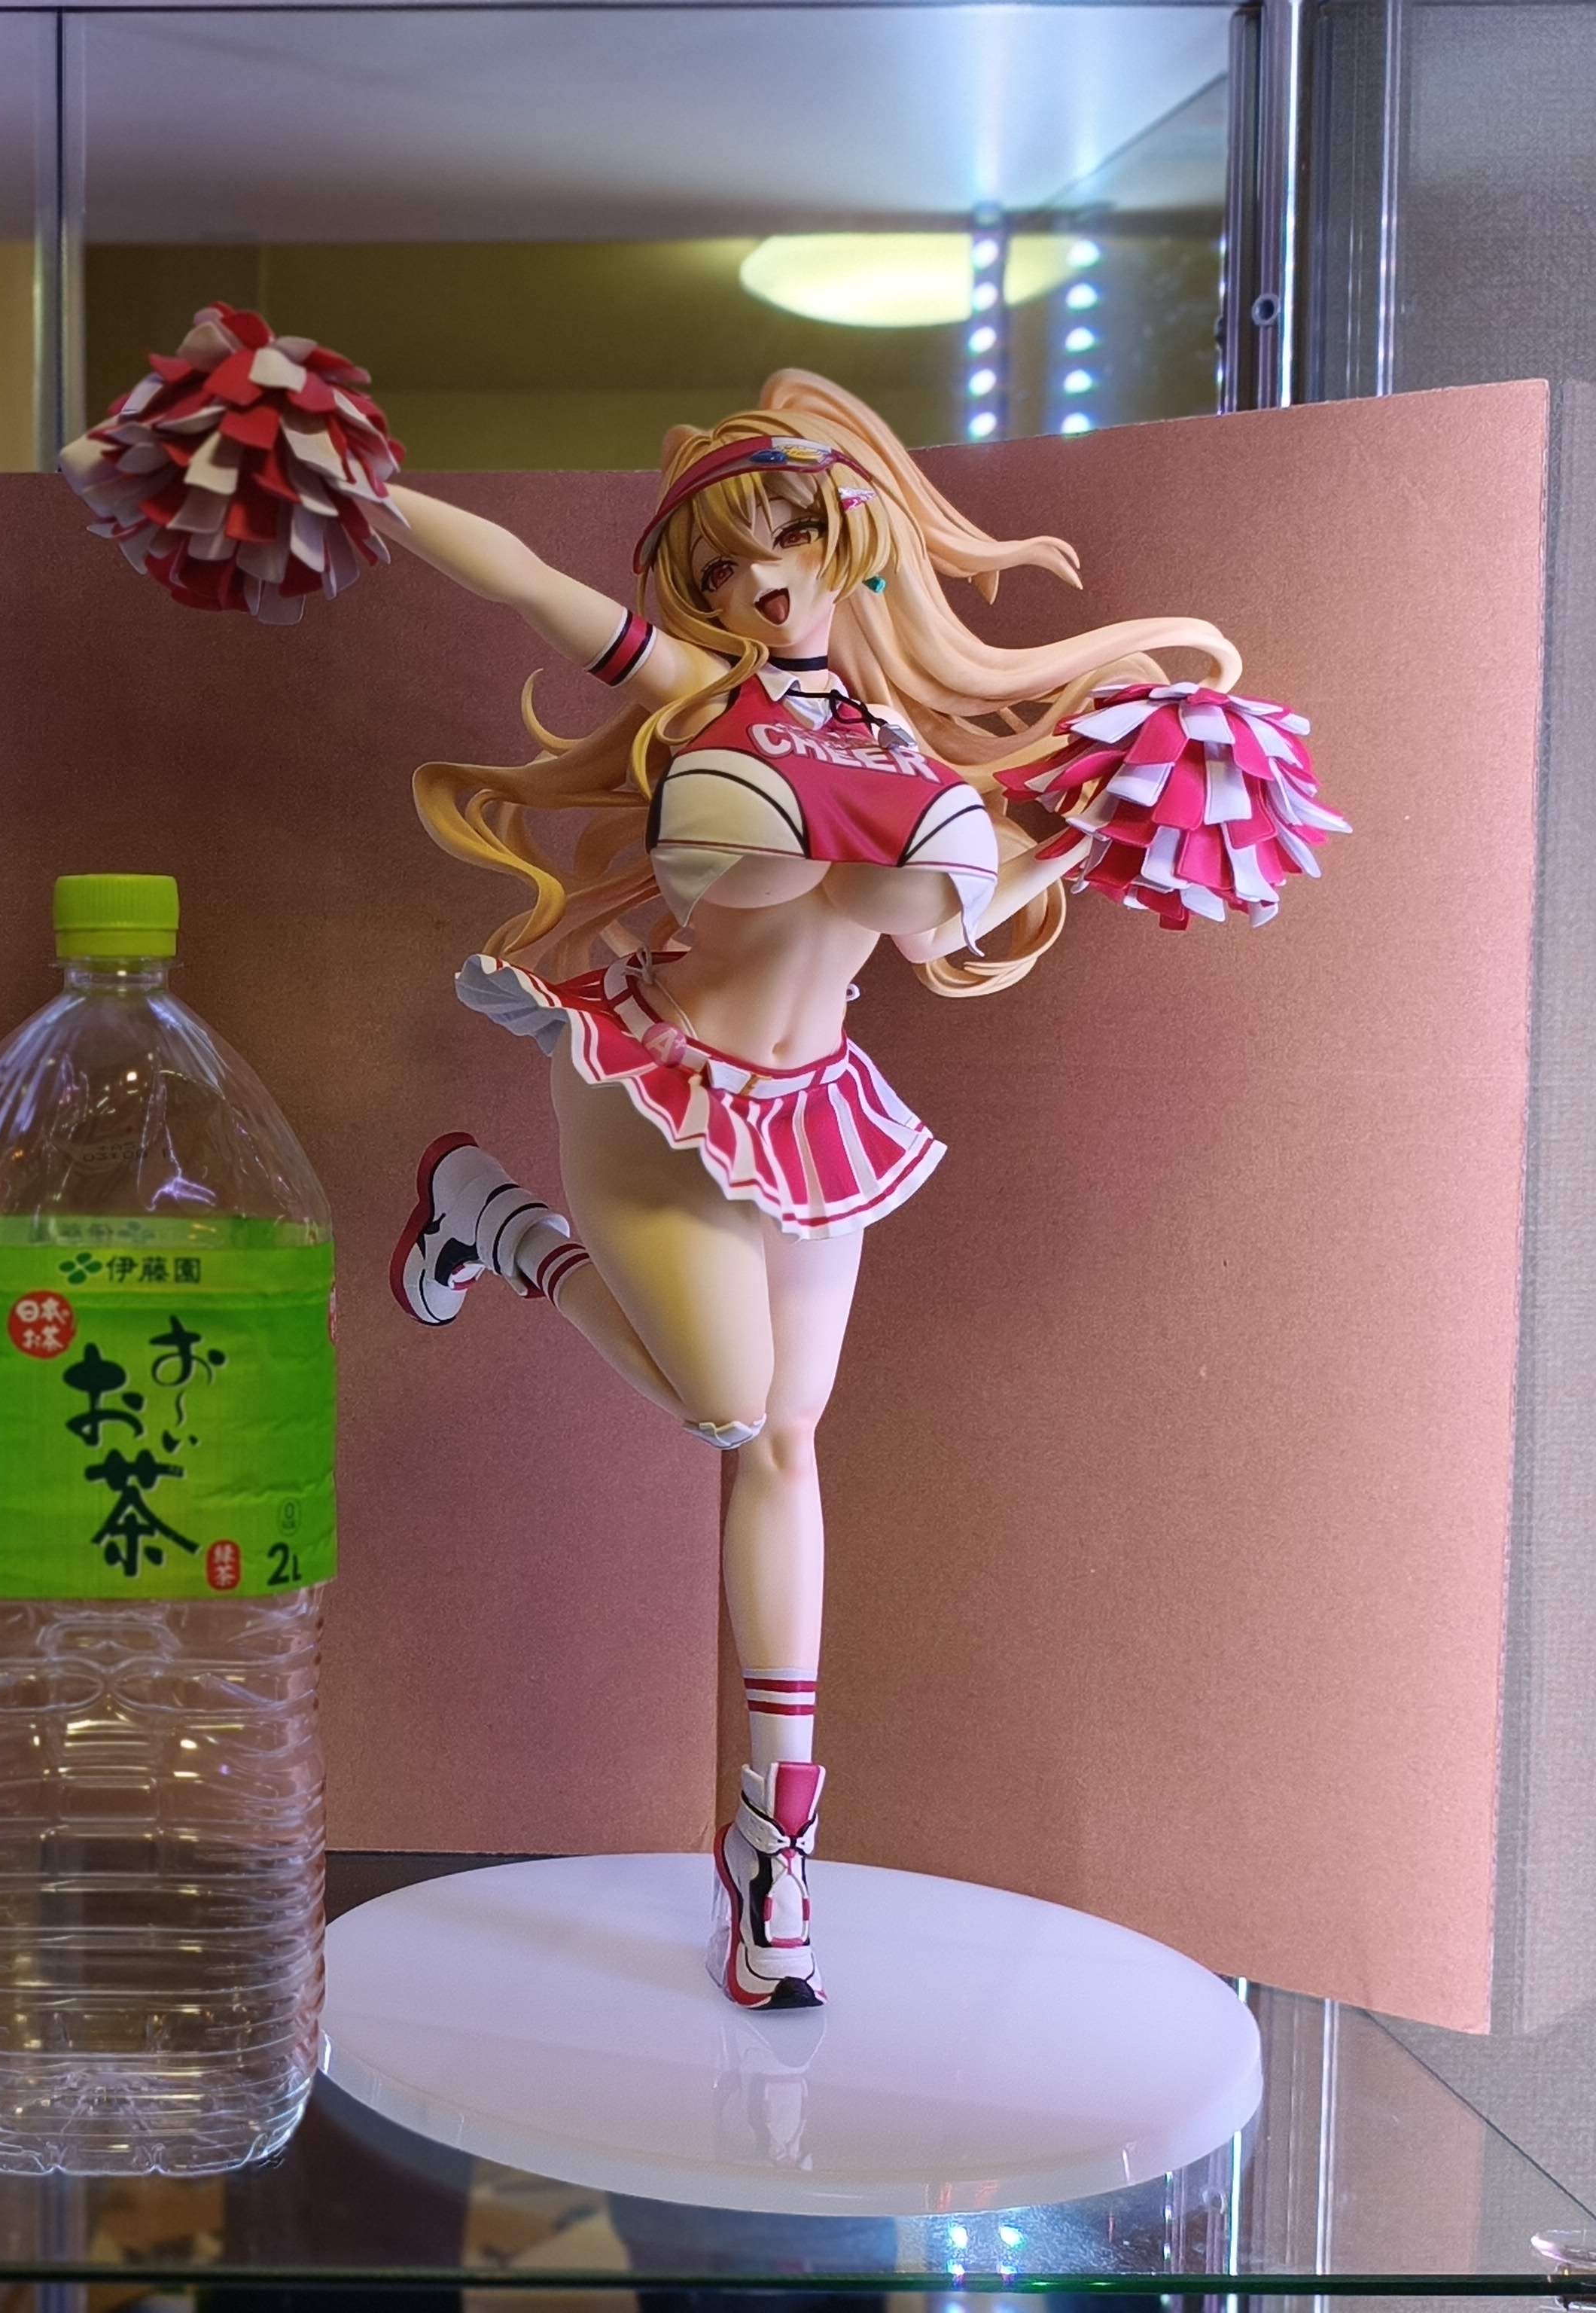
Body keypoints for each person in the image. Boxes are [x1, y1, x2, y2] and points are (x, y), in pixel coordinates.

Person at [381, 371, 1336, 2007]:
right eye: (723, 565)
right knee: (725, 1405)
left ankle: (775, 1863)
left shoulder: (909, 748)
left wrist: (1117, 810)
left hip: (813, 1113)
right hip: (657, 1078)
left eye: (785, 548)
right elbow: (529, 583)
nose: (758, 583)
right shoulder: (695, 693)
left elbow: (954, 906)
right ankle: (495, 1217)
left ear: (849, 546)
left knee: (786, 1445)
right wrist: (361, 486)